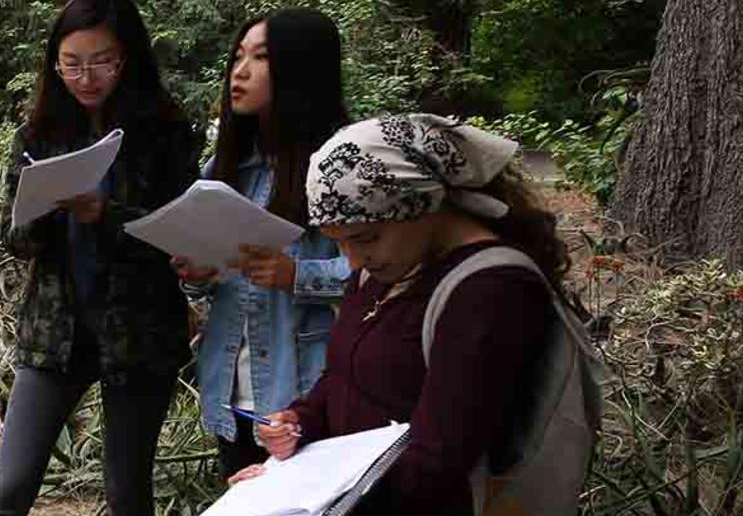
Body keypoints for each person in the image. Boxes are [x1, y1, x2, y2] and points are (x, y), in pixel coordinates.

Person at [238, 114, 572, 514]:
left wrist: (303, 502)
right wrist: (301, 422)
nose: (354, 260)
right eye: (339, 243)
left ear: (421, 206)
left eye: (365, 239)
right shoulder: (390, 266)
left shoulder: (490, 291)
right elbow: (345, 375)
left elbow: (438, 464)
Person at [0, 0, 202, 516]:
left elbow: (183, 231)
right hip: (56, 329)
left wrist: (104, 215)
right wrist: (42, 210)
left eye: (101, 62)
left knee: (127, 493)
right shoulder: (39, 133)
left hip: (140, 332)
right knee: (11, 487)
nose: (86, 78)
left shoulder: (166, 134)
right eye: (70, 65)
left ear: (128, 58)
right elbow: (13, 240)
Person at [174, 8, 352, 481]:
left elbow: (379, 276)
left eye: (260, 58)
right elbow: (209, 282)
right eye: (236, 57)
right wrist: (197, 274)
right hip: (230, 392)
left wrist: (297, 275)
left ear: (301, 69)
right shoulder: (225, 166)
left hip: (303, 394)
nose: (240, 70)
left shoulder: (339, 170)